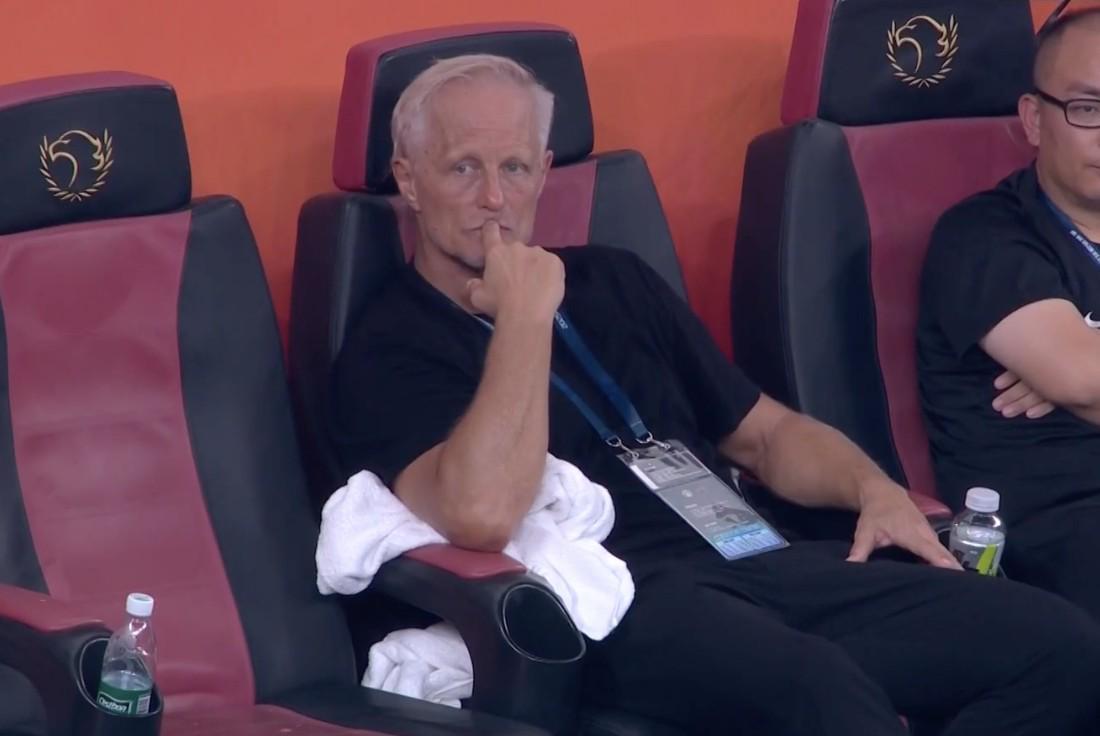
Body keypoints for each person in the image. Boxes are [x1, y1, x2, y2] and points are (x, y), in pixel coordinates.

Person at [332, 53, 1100, 735]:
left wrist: (872, 488)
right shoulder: (389, 342)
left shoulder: (614, 280)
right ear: (409, 179)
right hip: (615, 601)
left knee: (1061, 649)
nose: (496, 199)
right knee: (822, 691)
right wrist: (525, 318)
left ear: (544, 170)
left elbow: (766, 434)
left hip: (755, 554)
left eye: (516, 167)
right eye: (463, 169)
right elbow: (480, 514)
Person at [919, 8, 1100, 618]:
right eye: (1088, 109)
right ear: (1034, 118)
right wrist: (1074, 370)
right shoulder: (983, 235)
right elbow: (1081, 377)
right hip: (1056, 531)